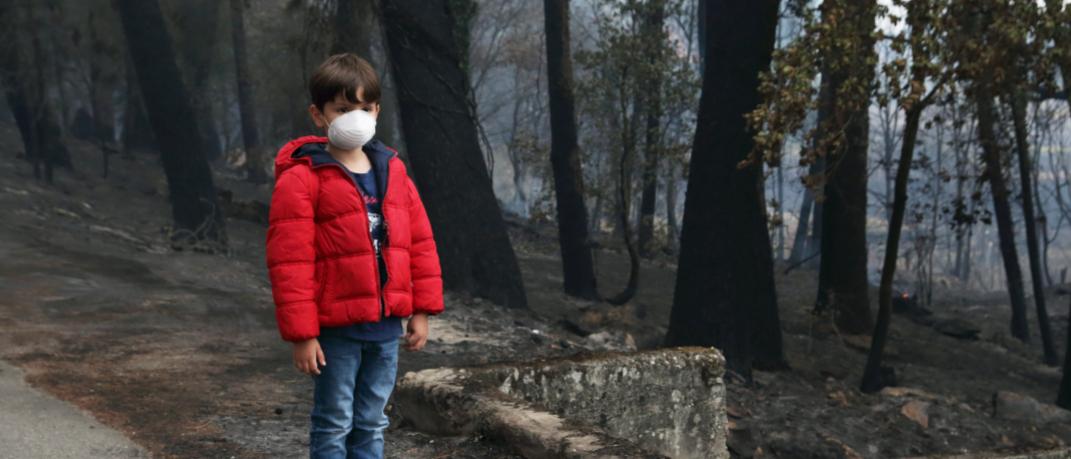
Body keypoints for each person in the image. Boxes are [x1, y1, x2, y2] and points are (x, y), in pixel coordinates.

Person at [265, 53, 444, 459]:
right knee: (334, 422)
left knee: (372, 421)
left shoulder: (393, 171)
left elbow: (419, 242)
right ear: (319, 114)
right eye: (343, 109)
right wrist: (302, 334)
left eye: (364, 108)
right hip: (336, 332)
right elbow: (289, 262)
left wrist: (421, 310)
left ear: (377, 110)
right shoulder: (302, 179)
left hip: (385, 331)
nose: (356, 118)